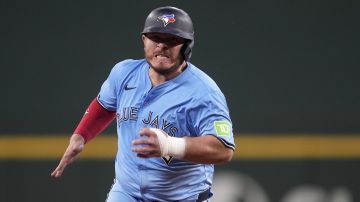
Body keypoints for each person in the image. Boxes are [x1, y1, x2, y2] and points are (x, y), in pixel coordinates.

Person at [51, 6, 235, 202]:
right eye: (155, 37)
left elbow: (224, 149)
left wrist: (169, 145)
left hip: (181, 198)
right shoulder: (124, 73)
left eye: (172, 40)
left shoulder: (203, 91)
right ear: (144, 40)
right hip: (126, 193)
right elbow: (104, 105)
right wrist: (81, 135)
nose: (161, 45)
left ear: (186, 46)